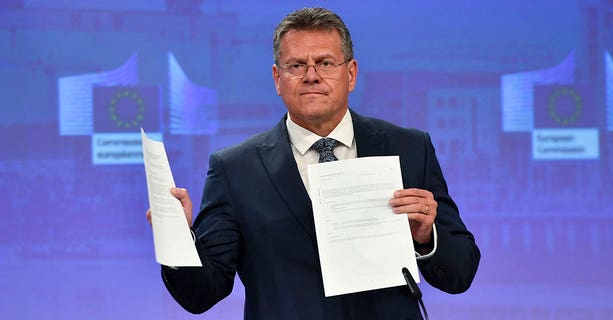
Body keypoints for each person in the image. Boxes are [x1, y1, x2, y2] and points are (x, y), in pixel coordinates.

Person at [146, 7, 480, 319]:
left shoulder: (409, 148)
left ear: (350, 74)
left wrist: (425, 237)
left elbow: (461, 272)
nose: (311, 76)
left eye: (325, 63)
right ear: (278, 79)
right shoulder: (234, 170)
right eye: (296, 66)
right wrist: (176, 238)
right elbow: (202, 294)